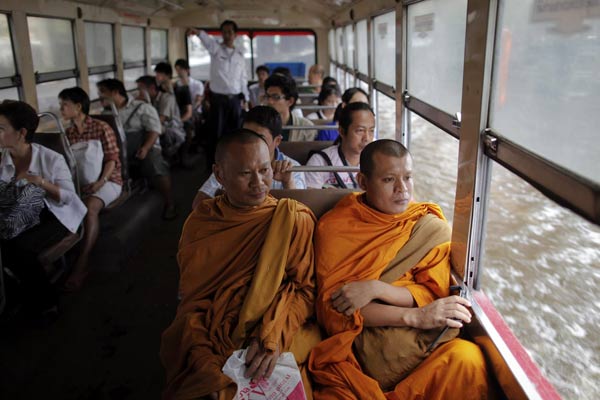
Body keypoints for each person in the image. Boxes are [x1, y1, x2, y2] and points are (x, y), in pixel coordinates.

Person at [308, 139, 490, 399]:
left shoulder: (427, 227)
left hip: (422, 340)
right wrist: (411, 315)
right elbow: (337, 309)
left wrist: (377, 288)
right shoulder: (337, 227)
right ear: (363, 182)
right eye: (389, 180)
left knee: (468, 359)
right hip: (365, 350)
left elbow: (433, 292)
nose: (402, 189)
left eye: (408, 177)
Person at [160, 129, 319, 399]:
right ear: (219, 175)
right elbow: (192, 302)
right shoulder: (202, 223)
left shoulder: (292, 218)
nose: (258, 182)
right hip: (215, 327)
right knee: (208, 382)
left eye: (264, 170)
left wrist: (272, 337)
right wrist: (205, 362)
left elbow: (305, 290)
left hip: (280, 326)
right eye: (245, 174)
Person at [0, 100, 86, 319]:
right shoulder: (3, 160)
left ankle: (47, 302)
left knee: (19, 248)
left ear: (21, 133)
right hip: (17, 216)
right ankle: (14, 293)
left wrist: (40, 182)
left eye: (1, 129)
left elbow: (68, 197)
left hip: (55, 214)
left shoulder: (50, 158)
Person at [58, 87, 123, 291]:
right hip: (82, 184)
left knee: (89, 207)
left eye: (65, 104)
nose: (61, 108)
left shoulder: (101, 127)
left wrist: (99, 183)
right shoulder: (67, 134)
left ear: (78, 107)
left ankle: (82, 263)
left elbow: (112, 159)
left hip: (109, 180)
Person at [192, 105, 306, 208]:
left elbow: (298, 213)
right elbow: (199, 204)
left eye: (260, 138)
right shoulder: (231, 163)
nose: (252, 143)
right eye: (245, 173)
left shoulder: (293, 169)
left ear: (277, 141)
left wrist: (287, 182)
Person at [97, 78, 177, 219]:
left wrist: (145, 148)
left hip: (144, 146)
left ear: (115, 92)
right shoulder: (105, 114)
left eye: (103, 92)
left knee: (155, 165)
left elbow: (154, 130)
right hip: (118, 150)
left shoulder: (141, 107)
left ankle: (169, 202)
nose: (100, 95)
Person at [187, 20, 249, 141]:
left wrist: (246, 98)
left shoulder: (240, 55)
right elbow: (207, 41)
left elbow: (243, 78)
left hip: (235, 99)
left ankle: (235, 157)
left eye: (230, 32)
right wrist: (197, 32)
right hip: (218, 99)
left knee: (236, 131)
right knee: (216, 131)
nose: (227, 35)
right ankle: (215, 158)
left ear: (235, 35)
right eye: (224, 32)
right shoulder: (216, 50)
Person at [305, 102, 374, 189]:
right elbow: (310, 201)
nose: (367, 138)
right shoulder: (319, 162)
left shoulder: (377, 162)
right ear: (342, 131)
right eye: (360, 130)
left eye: (371, 131)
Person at [136, 75, 186, 157]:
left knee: (149, 133)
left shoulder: (167, 98)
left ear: (152, 88)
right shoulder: (148, 99)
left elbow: (160, 120)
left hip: (172, 128)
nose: (139, 92)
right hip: (158, 126)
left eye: (141, 89)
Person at [264, 74, 316, 142]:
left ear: (290, 101)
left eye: (275, 97)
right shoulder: (259, 126)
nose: (269, 101)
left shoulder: (307, 128)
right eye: (268, 96)